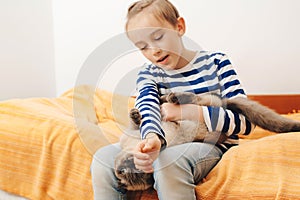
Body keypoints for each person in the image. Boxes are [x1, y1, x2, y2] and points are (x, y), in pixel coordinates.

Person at [91, 0, 254, 199]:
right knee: (102, 159)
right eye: (143, 47)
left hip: (210, 145)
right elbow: (147, 107)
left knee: (168, 160)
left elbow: (245, 122)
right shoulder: (149, 73)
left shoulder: (217, 62)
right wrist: (151, 139)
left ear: (179, 27)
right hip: (165, 140)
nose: (154, 51)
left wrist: (188, 112)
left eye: (158, 37)